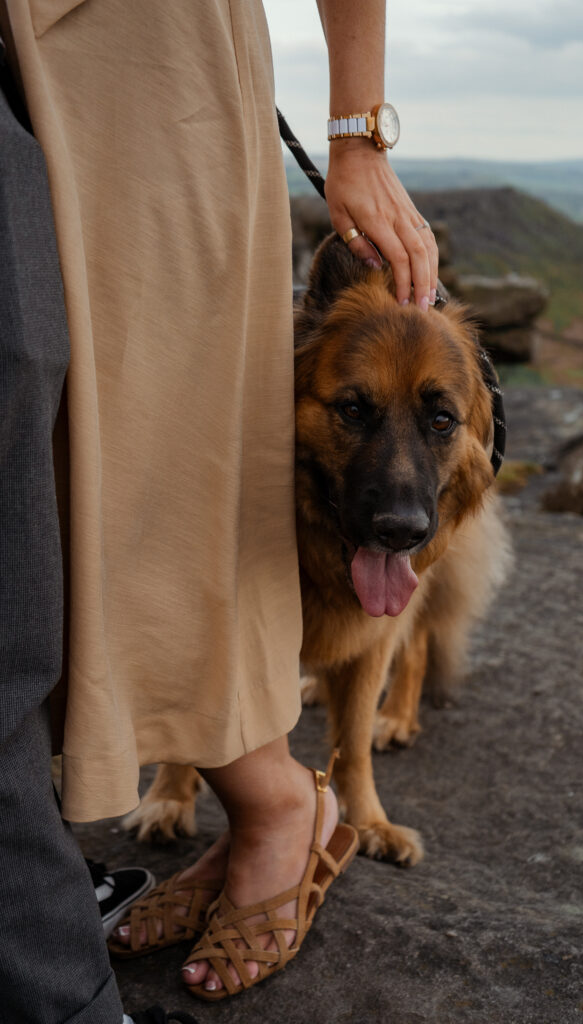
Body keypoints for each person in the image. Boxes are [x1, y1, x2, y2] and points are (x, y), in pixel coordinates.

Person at [0, 0, 438, 1017]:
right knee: (41, 452)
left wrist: (356, 130)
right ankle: (43, 878)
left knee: (167, 445)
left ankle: (275, 801)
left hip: (142, 56)